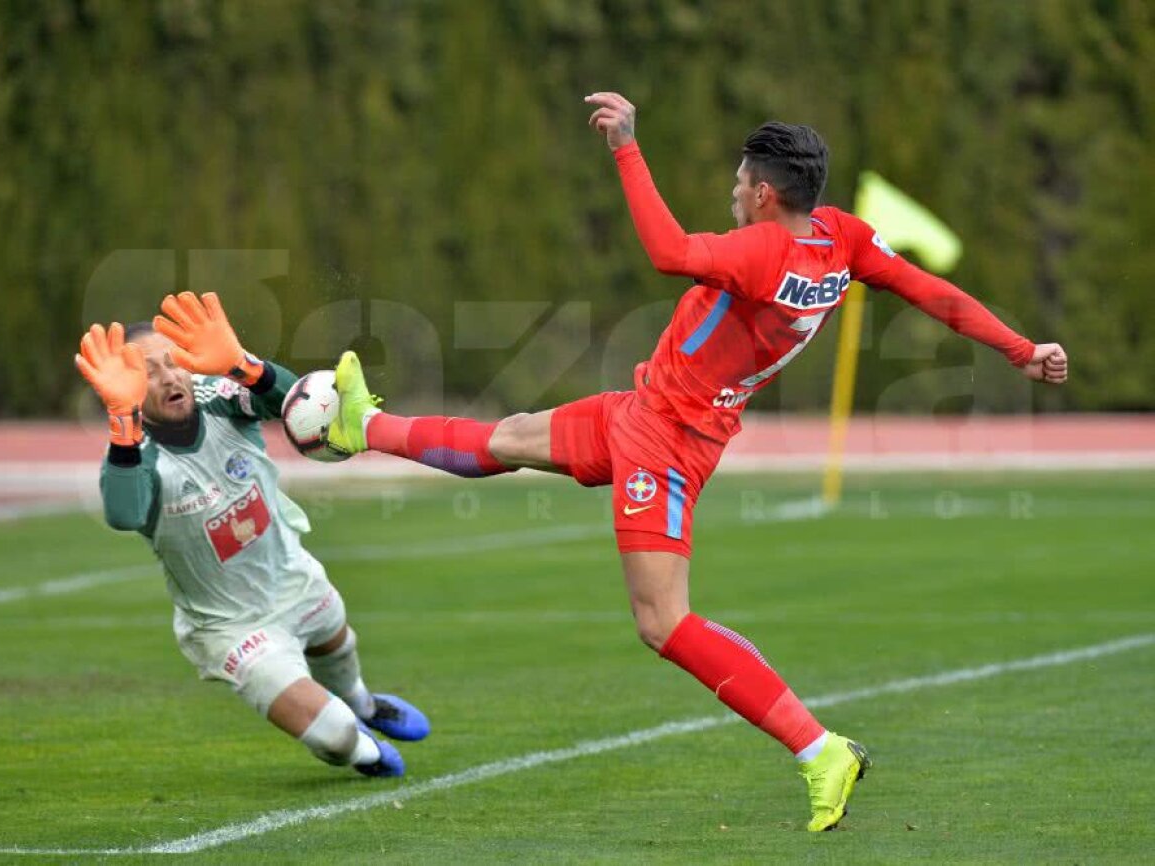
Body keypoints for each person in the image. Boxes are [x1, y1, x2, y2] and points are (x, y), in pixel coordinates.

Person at [323, 92, 1067, 830]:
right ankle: (366, 426)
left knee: (663, 621)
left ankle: (817, 749)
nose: (732, 192)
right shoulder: (839, 238)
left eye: (740, 181)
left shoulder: (763, 249)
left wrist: (625, 147)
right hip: (646, 412)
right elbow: (929, 290)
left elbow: (669, 252)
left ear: (766, 193)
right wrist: (1022, 349)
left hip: (669, 439)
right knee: (509, 439)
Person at [74, 292, 430, 779]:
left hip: (292, 576)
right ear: (123, 388)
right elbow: (124, 511)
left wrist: (245, 365)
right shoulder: (137, 456)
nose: (169, 376)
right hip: (231, 626)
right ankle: (360, 744)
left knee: (336, 640)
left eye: (173, 362)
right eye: (148, 372)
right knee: (335, 735)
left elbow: (291, 403)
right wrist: (123, 424)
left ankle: (365, 704)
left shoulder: (217, 399)